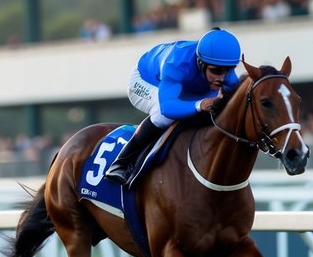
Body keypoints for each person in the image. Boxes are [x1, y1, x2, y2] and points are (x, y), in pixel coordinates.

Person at [103, 27, 242, 185]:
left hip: (185, 85)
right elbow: (167, 108)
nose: (222, 78)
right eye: (216, 71)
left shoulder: (221, 65)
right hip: (147, 80)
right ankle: (122, 163)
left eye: (228, 71)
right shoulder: (176, 63)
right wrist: (199, 105)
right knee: (163, 117)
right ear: (201, 63)